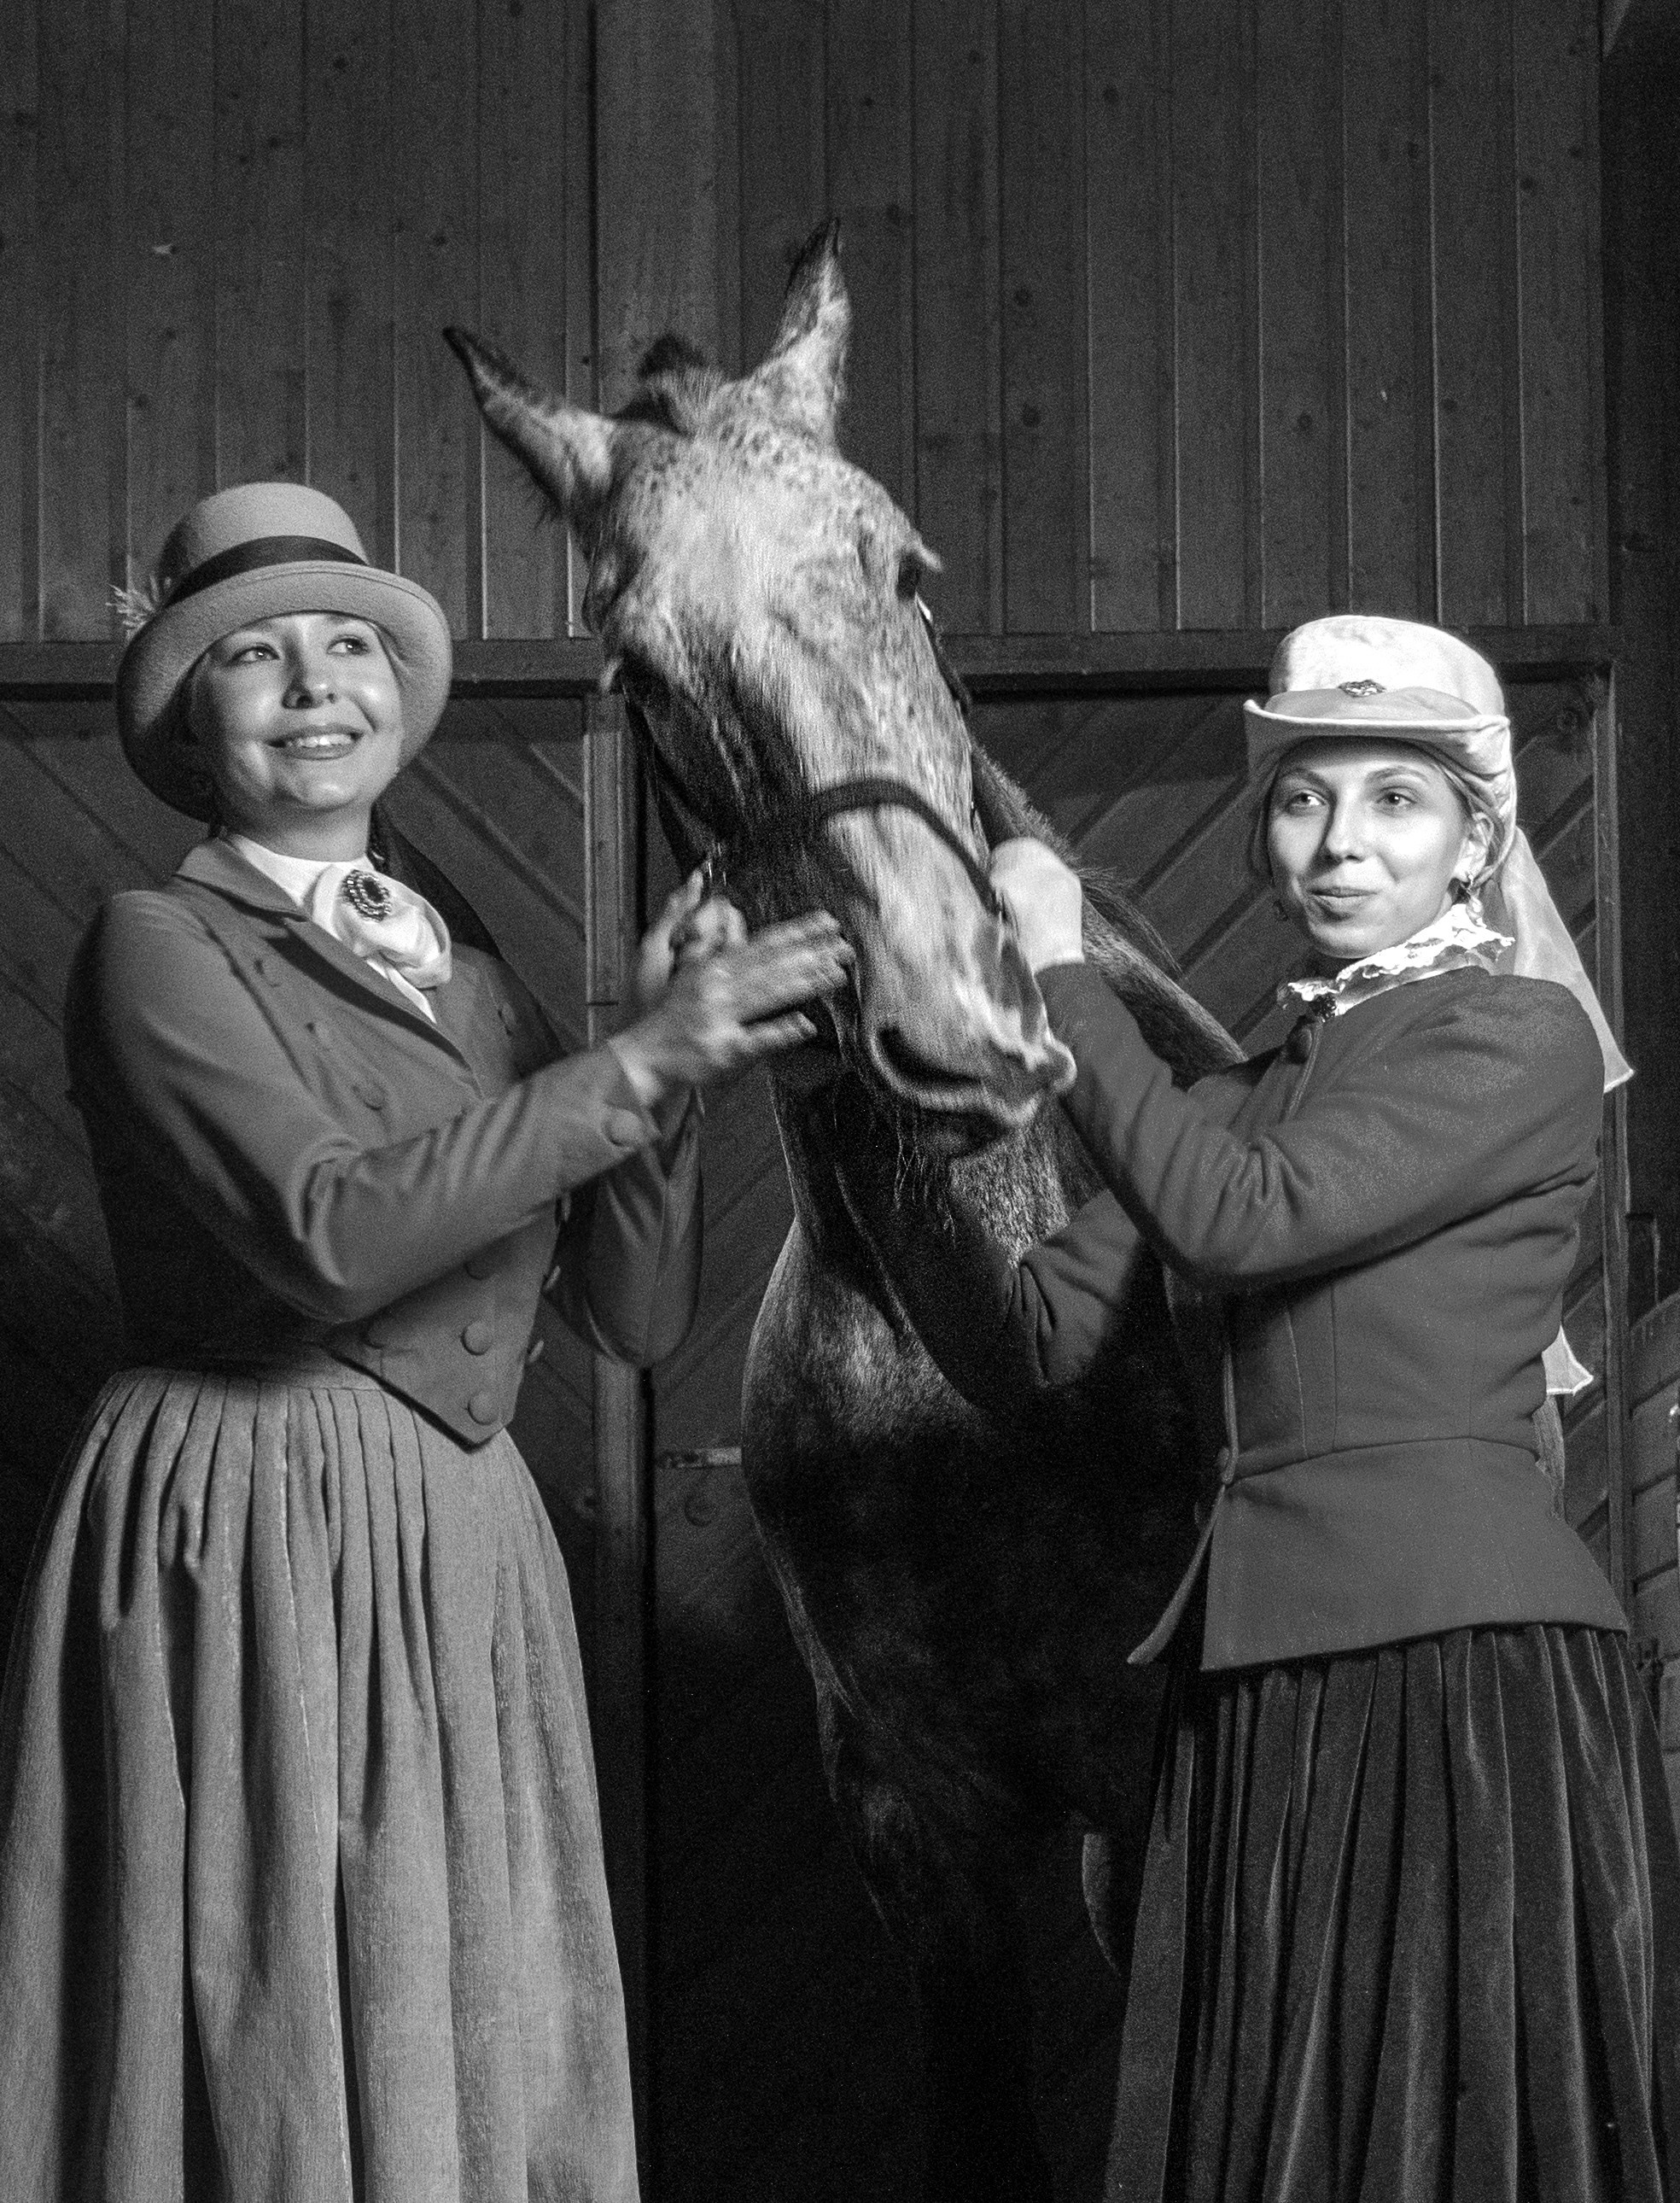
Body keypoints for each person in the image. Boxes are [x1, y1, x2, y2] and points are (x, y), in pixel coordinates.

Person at [0, 482, 850, 2202]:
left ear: (396, 691)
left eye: (347, 646)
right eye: (253, 654)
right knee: (275, 2009)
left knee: (461, 2005)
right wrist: (632, 1066)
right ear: (191, 718)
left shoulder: (472, 981)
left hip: (458, 1539)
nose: (312, 681)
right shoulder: (154, 947)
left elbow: (628, 1314)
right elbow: (331, 1235)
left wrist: (655, 1075)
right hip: (247, 1515)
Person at [859, 616, 1680, 2200]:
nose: (1341, 842)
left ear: (1477, 840)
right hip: (1258, 1686)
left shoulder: (1515, 1039)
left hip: (1453, 1661)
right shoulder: (1237, 1090)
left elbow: (1239, 1221)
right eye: (1306, 800)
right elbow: (1030, 1341)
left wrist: (1065, 965)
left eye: (1396, 801)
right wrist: (902, 1080)